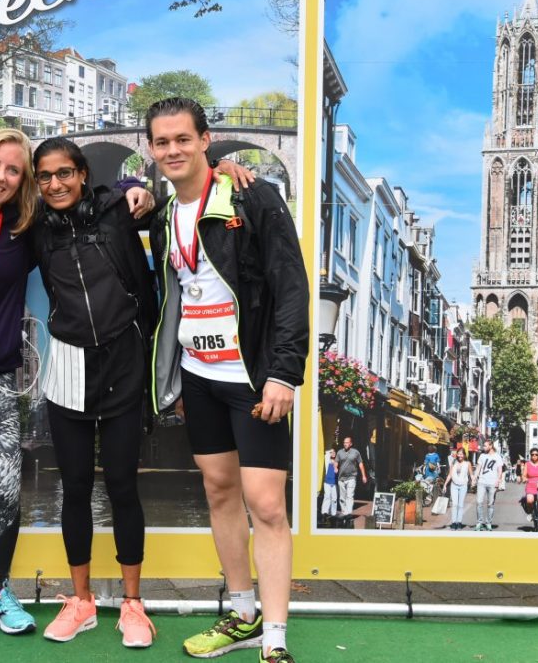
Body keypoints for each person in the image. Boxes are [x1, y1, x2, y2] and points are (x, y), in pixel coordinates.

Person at [0, 129, 156, 644]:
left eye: (15, 170)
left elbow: (122, 195)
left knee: (6, 491)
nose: (2, 176)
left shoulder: (23, 228)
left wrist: (140, 183)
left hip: (4, 371)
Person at [148, 97, 309, 663]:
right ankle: (241, 612)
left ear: (205, 139)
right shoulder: (164, 212)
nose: (172, 150)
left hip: (251, 375)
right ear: (150, 149)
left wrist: (285, 373)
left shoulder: (253, 196)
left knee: (265, 504)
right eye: (161, 142)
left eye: (182, 139)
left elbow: (291, 285)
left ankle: (276, 638)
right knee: (218, 491)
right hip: (199, 374)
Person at [28, 137, 158, 648]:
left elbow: (166, 202)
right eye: (46, 177)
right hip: (68, 361)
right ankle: (80, 601)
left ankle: (132, 604)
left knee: (123, 483)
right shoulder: (35, 227)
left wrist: (141, 189)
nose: (56, 184)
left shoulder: (115, 209)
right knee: (75, 486)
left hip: (124, 359)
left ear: (82, 174)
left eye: (65, 173)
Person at [471, 439, 505, 531]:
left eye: (485, 446)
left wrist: (498, 481)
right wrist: (474, 478)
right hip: (482, 482)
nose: (483, 447)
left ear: (490, 446)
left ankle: (488, 523)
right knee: (479, 502)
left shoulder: (497, 457)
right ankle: (479, 522)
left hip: (492, 483)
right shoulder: (482, 456)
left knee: (490, 504)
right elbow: (478, 468)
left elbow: (500, 470)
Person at [335, 436, 367, 518]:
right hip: (341, 478)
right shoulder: (339, 452)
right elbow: (336, 462)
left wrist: (364, 476)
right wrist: (335, 468)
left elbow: (360, 464)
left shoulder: (355, 452)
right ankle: (344, 511)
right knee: (342, 497)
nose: (345, 444)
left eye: (347, 442)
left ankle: (348, 513)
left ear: (351, 444)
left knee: (350, 495)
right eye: (344, 442)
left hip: (352, 477)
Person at [442, 447, 473, 530]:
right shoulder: (454, 462)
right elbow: (450, 474)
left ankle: (459, 522)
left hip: (463, 485)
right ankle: (453, 522)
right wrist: (445, 484)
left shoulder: (468, 463)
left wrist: (474, 481)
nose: (460, 455)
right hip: (454, 485)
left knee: (460, 505)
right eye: (458, 453)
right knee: (455, 504)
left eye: (461, 454)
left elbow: (471, 474)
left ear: (464, 455)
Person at [320, 449, 338, 522]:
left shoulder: (337, 462)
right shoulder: (327, 460)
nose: (333, 453)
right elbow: (326, 453)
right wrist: (330, 451)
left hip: (334, 483)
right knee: (327, 497)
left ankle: (333, 513)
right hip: (327, 482)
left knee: (334, 499)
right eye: (332, 452)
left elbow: (337, 471)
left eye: (334, 452)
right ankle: (324, 512)